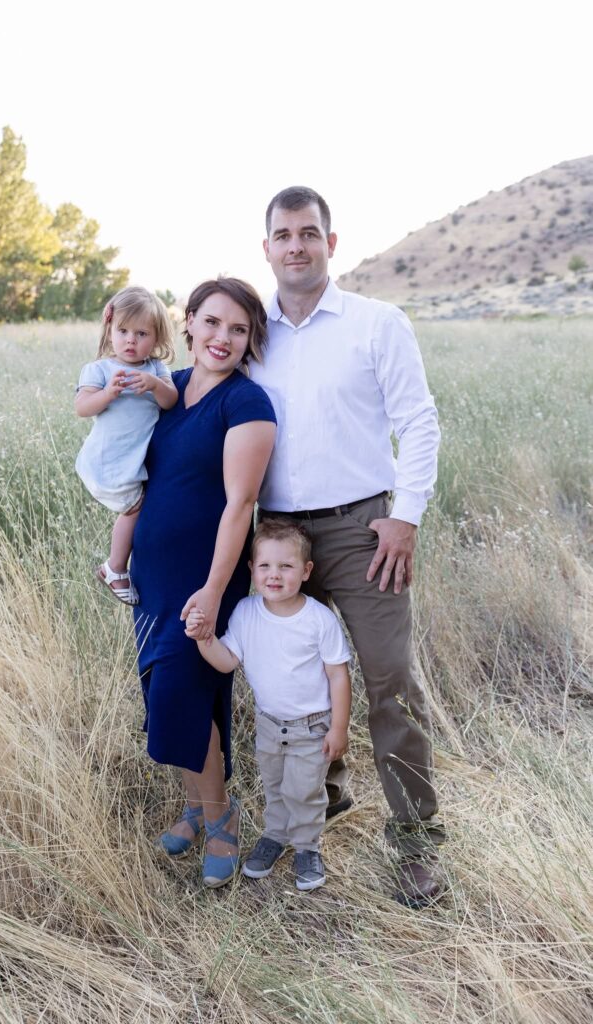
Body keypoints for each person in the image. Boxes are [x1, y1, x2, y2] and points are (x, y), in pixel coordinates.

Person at [249, 186, 445, 909]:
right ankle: (319, 804)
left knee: (390, 683)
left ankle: (417, 843)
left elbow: (418, 421)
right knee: (292, 682)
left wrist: (406, 515)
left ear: (331, 243)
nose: (295, 245)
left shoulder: (374, 323)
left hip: (363, 528)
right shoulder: (250, 331)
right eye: (282, 234)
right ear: (264, 247)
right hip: (276, 537)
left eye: (308, 233)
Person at [129, 277, 277, 888]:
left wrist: (216, 590)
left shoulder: (246, 404)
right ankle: (197, 807)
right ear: (187, 322)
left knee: (188, 697)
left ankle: (223, 820)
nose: (223, 337)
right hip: (154, 575)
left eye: (238, 329)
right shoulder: (174, 389)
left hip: (204, 574)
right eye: (212, 322)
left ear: (250, 341)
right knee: (165, 691)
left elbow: (239, 504)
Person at [185, 518, 351, 891]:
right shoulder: (245, 613)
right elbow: (227, 660)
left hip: (313, 725)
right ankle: (275, 836)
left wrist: (339, 728)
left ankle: (308, 847)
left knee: (304, 790)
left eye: (286, 566)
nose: (274, 575)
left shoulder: (319, 620)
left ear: (306, 571)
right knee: (274, 786)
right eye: (265, 566)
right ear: (251, 570)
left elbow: (338, 676)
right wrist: (201, 638)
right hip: (270, 723)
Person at [75, 286, 177, 604]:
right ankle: (115, 568)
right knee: (134, 508)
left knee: (140, 507)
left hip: (129, 461)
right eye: (123, 331)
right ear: (110, 330)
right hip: (106, 459)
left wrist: (155, 385)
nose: (131, 340)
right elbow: (82, 407)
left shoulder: (156, 370)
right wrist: (108, 393)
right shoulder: (100, 369)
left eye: (141, 333)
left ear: (157, 338)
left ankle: (121, 565)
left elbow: (171, 401)